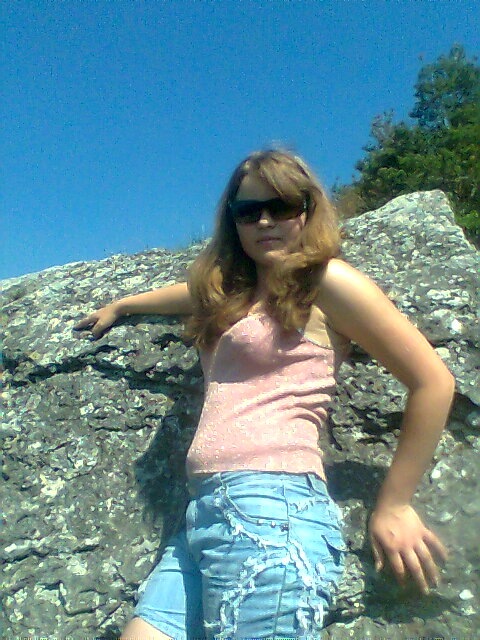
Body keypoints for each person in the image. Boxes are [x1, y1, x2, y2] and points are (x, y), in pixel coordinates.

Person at [75, 150, 454, 640]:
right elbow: (186, 294)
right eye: (248, 211)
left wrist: (394, 503)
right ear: (233, 221)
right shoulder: (232, 292)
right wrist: (123, 305)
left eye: (282, 206)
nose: (265, 221)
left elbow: (434, 382)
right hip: (203, 514)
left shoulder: (327, 281)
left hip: (274, 510)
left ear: (307, 210)